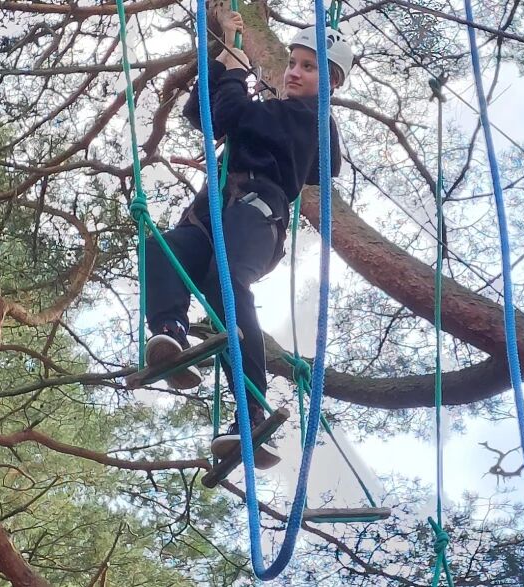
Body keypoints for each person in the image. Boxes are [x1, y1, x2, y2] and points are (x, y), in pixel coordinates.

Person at [142, 12, 352, 468]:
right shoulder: (271, 112)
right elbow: (202, 115)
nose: (293, 72)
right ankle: (169, 332)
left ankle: (251, 411)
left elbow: (233, 113)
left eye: (308, 67)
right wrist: (223, 58)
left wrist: (236, 71)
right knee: (161, 248)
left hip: (257, 213)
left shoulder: (311, 121)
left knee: (226, 282)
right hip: (212, 212)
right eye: (293, 63)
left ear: (331, 83)